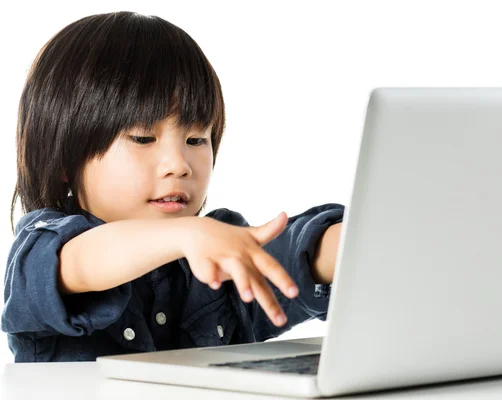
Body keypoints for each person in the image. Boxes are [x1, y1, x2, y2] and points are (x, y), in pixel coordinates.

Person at [1, 11, 344, 362]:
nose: (179, 164)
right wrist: (187, 235)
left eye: (196, 139)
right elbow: (80, 262)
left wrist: (357, 236)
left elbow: (293, 255)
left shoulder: (212, 247)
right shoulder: (43, 249)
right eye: (143, 137)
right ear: (63, 160)